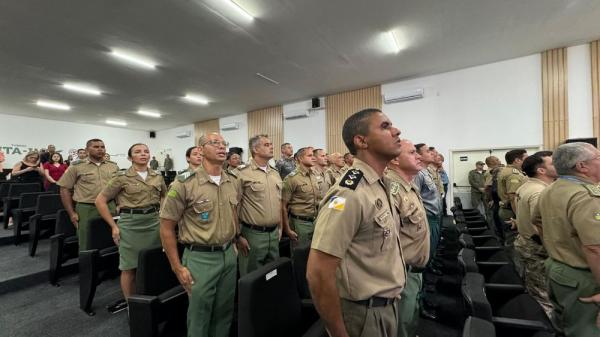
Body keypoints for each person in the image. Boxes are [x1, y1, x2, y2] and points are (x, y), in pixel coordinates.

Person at [307, 108, 405, 337]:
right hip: (363, 315)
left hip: (387, 306)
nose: (396, 130)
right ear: (361, 141)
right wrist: (338, 333)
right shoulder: (349, 193)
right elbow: (318, 272)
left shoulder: (381, 184)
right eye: (385, 126)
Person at [160, 133, 239, 337]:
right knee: (199, 315)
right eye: (215, 143)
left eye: (224, 144)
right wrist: (176, 267)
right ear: (201, 150)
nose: (222, 147)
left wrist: (235, 241)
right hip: (200, 258)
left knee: (224, 312)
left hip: (229, 255)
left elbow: (233, 215)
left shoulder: (232, 180)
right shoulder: (184, 183)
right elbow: (167, 227)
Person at [531, 142, 600, 337]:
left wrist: (559, 246)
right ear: (582, 166)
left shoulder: (550, 189)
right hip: (586, 278)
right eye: (599, 157)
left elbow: (536, 220)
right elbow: (595, 248)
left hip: (558, 269)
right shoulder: (587, 196)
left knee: (564, 326)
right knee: (587, 331)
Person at [95, 143, 166, 303]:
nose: (143, 154)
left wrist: (162, 212)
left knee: (153, 262)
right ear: (130, 157)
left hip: (153, 222)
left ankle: (151, 298)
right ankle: (131, 305)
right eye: (138, 152)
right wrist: (113, 226)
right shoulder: (121, 177)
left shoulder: (157, 176)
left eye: (146, 151)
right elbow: (100, 201)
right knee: (129, 267)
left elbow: (164, 195)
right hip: (131, 225)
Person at [386, 139, 430, 337]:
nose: (419, 156)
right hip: (401, 274)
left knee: (410, 319)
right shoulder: (391, 189)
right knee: (401, 324)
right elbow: (386, 242)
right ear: (395, 159)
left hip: (414, 270)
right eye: (413, 153)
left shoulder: (408, 186)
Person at [514, 151, 557, 315]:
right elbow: (541, 224)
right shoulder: (539, 192)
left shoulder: (527, 185)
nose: (557, 165)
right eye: (552, 163)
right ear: (541, 170)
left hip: (526, 243)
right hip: (537, 248)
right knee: (543, 295)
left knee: (534, 288)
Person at [57, 139, 119, 251]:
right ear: (86, 150)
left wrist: (118, 204)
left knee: (112, 237)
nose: (100, 149)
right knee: (86, 240)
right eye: (96, 147)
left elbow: (119, 187)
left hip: (110, 206)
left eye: (102, 147)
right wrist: (71, 213)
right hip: (87, 208)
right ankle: (87, 267)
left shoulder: (113, 166)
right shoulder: (76, 166)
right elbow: (64, 189)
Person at [234, 135, 282, 276]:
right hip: (252, 235)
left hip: (273, 234)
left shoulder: (275, 173)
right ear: (255, 149)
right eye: (267, 144)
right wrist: (238, 236)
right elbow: (234, 207)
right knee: (253, 278)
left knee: (272, 275)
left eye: (271, 144)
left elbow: (278, 202)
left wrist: (280, 228)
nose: (271, 146)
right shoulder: (241, 173)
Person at [281, 147, 324, 244]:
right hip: (300, 224)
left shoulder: (313, 176)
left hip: (315, 221)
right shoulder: (292, 178)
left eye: (313, 155)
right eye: (309, 155)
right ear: (300, 158)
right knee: (300, 256)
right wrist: (287, 230)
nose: (313, 158)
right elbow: (283, 206)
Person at [497, 149, 528, 244]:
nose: (528, 160)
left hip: (508, 209)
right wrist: (518, 218)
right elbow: (513, 197)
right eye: (526, 158)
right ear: (517, 160)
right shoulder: (513, 174)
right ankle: (512, 258)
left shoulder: (508, 170)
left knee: (511, 238)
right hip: (512, 211)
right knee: (513, 240)